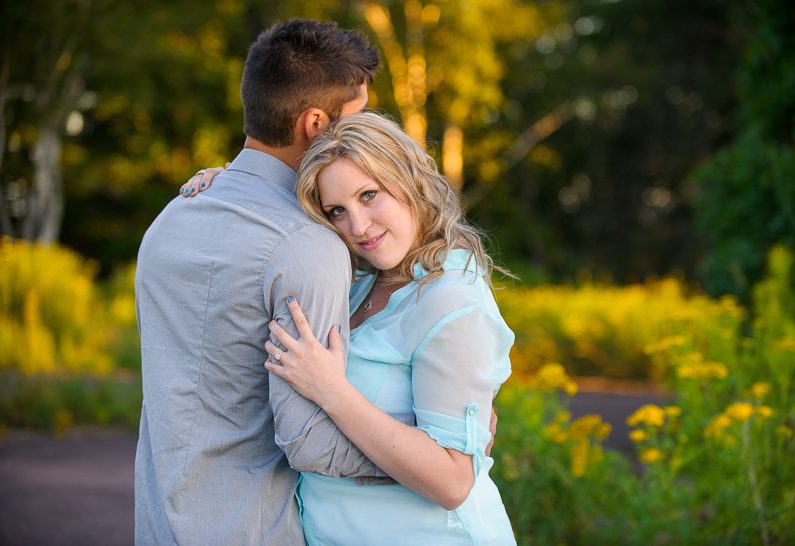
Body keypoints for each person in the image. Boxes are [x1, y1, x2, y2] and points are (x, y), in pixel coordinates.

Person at [189, 112, 517, 544]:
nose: (357, 227)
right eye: (337, 211)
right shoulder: (362, 281)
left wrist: (332, 391)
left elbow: (453, 482)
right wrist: (233, 182)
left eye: (370, 195)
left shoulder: (452, 299)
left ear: (409, 179)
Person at [133, 19, 385, 545]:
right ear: (316, 124)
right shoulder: (306, 246)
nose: (367, 138)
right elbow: (310, 442)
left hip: (158, 527)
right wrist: (440, 455)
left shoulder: (172, 217)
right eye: (357, 121)